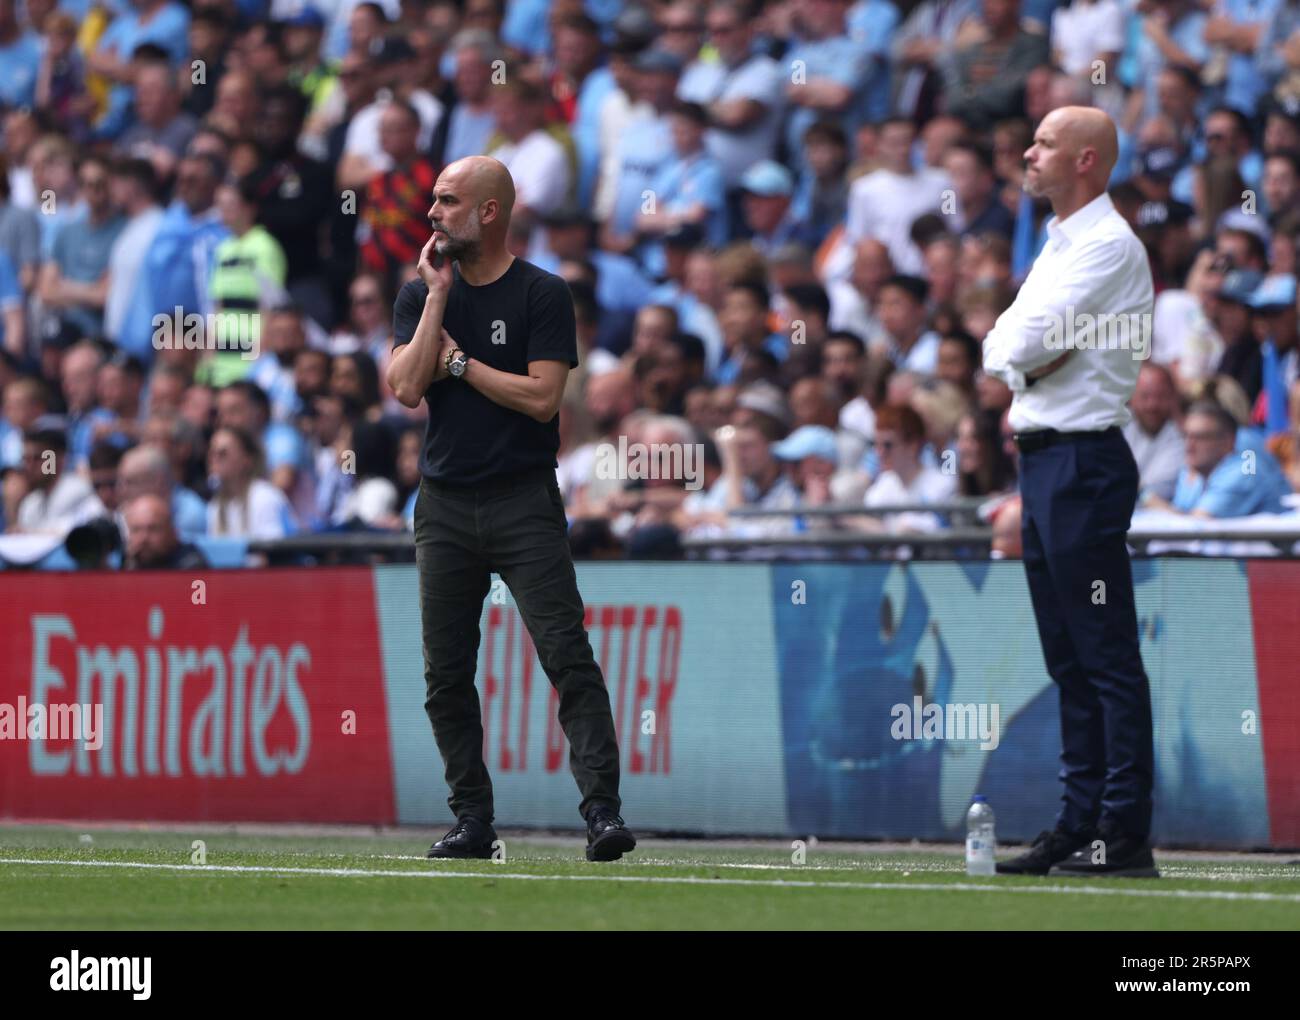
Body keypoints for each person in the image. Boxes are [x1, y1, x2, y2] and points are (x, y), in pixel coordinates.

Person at [386, 155, 636, 862]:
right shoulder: (420, 294)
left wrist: (462, 367)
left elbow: (542, 398)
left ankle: (601, 813)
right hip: (442, 503)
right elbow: (406, 387)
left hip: (523, 500)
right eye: (434, 201)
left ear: (489, 212)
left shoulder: (542, 294)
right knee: (446, 671)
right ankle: (472, 819)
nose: (433, 213)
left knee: (566, 655)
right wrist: (436, 299)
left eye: (448, 201)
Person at [982, 106, 1159, 878]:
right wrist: (1027, 360)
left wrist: (1025, 358)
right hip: (1048, 463)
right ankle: (1079, 821)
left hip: (1082, 463)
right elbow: (1002, 349)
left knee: (1104, 655)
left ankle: (1120, 832)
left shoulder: (1109, 246)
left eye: (1046, 142)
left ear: (1087, 159)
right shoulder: (1062, 243)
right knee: (1070, 660)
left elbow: (1015, 343)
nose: (1029, 150)